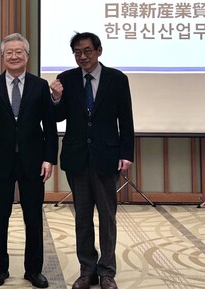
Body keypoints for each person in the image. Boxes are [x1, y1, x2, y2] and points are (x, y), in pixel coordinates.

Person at [50, 32, 135, 289]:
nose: (83, 57)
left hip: (106, 156)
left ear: (99, 50)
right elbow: (58, 116)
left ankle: (107, 271)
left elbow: (126, 119)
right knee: (82, 218)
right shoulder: (66, 79)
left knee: (107, 217)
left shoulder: (116, 79)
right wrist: (55, 98)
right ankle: (87, 270)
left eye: (87, 51)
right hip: (77, 157)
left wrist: (126, 153)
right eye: (77, 52)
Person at [0, 33, 57, 289]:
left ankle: (34, 270)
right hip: (1, 161)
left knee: (33, 218)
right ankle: (0, 270)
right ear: (2, 57)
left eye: (19, 52)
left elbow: (50, 126)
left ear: (27, 56)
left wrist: (49, 158)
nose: (14, 56)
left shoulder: (39, 86)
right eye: (9, 52)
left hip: (33, 161)